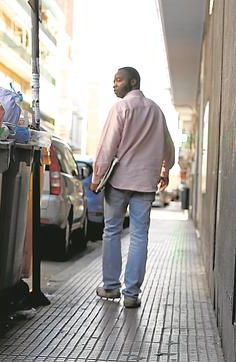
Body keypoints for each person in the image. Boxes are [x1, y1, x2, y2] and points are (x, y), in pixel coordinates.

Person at [90, 67, 175, 308]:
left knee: (112, 231)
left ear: (133, 82)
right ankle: (131, 294)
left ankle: (110, 287)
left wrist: (97, 178)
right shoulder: (156, 110)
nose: (114, 84)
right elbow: (168, 144)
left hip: (118, 181)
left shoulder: (121, 108)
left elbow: (107, 146)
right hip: (146, 183)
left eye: (118, 80)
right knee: (139, 236)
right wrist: (165, 169)